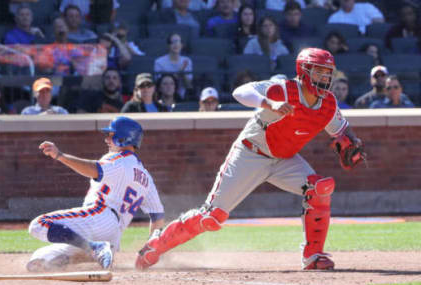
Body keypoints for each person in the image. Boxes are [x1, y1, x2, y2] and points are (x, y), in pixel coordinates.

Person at [135, 47, 366, 271]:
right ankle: (156, 244)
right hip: (251, 153)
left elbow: (341, 130)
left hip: (284, 158)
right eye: (318, 72)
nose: (324, 78)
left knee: (320, 189)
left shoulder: (328, 102)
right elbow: (240, 92)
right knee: (212, 217)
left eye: (327, 73)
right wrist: (269, 103)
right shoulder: (283, 90)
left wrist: (353, 143)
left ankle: (313, 256)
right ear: (303, 71)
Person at [26, 116, 165, 272]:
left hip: (99, 216)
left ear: (124, 138)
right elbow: (157, 216)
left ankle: (94, 247)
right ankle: (97, 250)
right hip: (114, 237)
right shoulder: (146, 177)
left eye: (111, 135)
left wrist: (60, 156)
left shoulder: (119, 160)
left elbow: (93, 169)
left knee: (38, 224)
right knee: (39, 260)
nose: (107, 139)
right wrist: (151, 249)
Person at [154, 33, 193, 99]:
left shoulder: (187, 61)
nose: (176, 44)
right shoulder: (159, 62)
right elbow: (159, 85)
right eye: (173, 42)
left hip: (183, 97)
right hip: (164, 97)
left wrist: (183, 73)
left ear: (182, 45)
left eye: (178, 41)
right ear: (168, 45)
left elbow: (188, 86)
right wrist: (179, 72)